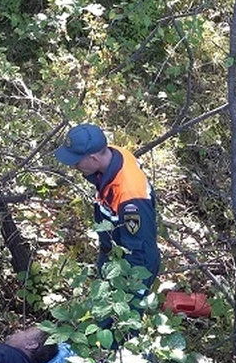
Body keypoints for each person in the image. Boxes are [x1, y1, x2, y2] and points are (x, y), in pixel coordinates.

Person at [54, 123, 160, 290]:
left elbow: (138, 249)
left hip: (135, 263)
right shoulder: (112, 154)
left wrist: (129, 286)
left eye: (76, 162)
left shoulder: (131, 198)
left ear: (94, 159)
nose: (73, 167)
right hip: (112, 251)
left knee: (117, 314)